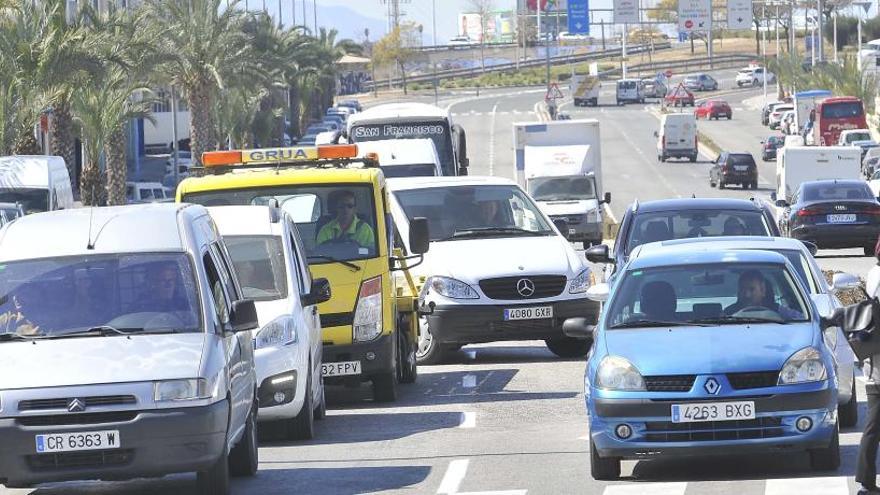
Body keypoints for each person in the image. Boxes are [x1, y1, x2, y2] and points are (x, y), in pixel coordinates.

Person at [858, 237, 880, 494]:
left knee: (873, 427)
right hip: (877, 368)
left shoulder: (873, 273)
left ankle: (866, 481)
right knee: (873, 426)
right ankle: (865, 481)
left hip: (874, 365)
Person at [724, 270, 801, 319]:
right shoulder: (728, 313)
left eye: (752, 289)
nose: (747, 295)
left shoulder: (778, 310)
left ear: (763, 290)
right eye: (742, 289)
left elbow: (802, 319)